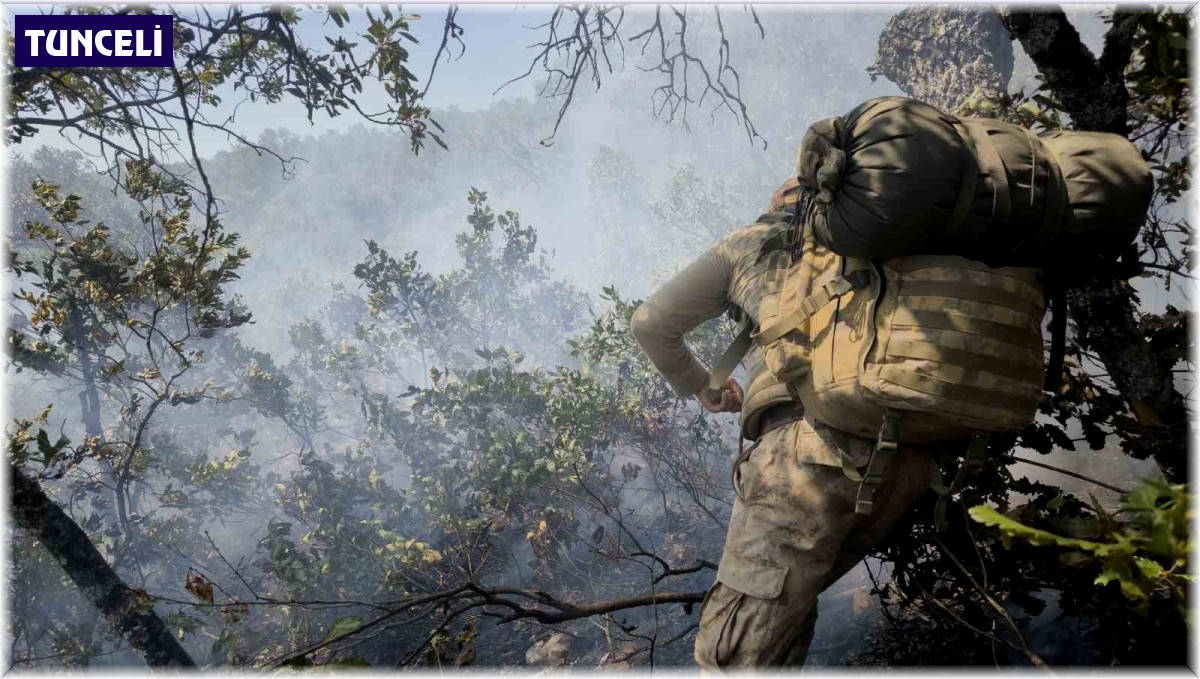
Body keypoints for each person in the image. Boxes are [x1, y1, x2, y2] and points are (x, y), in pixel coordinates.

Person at [629, 179, 940, 668]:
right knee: (782, 625)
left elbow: (650, 323)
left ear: (779, 208)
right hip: (913, 461)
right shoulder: (894, 237)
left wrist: (700, 383)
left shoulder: (752, 243)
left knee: (732, 656)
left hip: (811, 459)